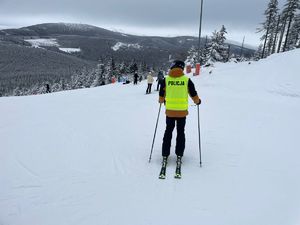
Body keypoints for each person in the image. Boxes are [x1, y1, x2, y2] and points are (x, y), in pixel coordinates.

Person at [158, 60, 201, 172]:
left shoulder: (166, 80)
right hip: (182, 112)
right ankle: (179, 154)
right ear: (181, 68)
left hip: (170, 112)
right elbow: (193, 93)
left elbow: (161, 94)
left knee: (168, 132)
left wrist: (161, 100)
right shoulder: (186, 80)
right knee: (180, 132)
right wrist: (197, 101)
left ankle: (165, 154)